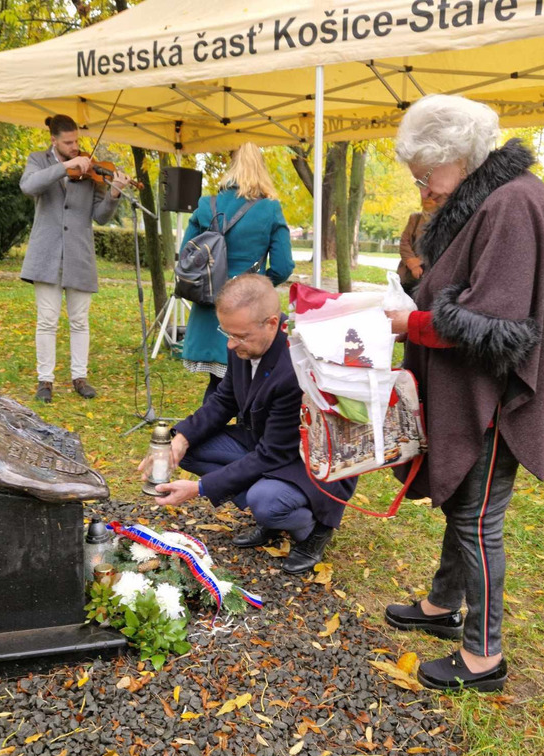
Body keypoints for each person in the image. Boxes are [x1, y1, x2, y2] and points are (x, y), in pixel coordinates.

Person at [383, 95, 544, 693]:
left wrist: (412, 323)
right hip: (474, 386)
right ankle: (443, 605)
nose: (424, 187)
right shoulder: (494, 195)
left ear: (457, 155)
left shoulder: (512, 203)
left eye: (426, 173)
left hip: (494, 396)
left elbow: (495, 323)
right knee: (464, 504)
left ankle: (483, 656)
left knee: (477, 519)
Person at [144, 274, 356, 575]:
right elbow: (224, 399)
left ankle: (313, 528)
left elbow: (273, 454)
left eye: (240, 336)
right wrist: (180, 438)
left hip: (309, 463)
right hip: (266, 442)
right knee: (189, 450)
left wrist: (200, 488)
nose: (231, 344)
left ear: (272, 323)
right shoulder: (246, 342)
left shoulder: (293, 368)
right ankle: (270, 512)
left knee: (265, 502)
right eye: (227, 333)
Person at [20, 114, 131, 403]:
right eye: (68, 143)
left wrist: (114, 192)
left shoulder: (90, 168)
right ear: (54, 140)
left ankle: (79, 377)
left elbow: (101, 217)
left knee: (80, 321)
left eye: (76, 141)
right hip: (47, 254)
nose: (75, 147)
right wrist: (64, 167)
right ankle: (45, 380)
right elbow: (28, 186)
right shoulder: (38, 160)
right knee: (47, 321)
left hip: (79, 254)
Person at [179, 143, 295, 399]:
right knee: (248, 387)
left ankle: (208, 425)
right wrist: (257, 287)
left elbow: (186, 255)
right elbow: (283, 266)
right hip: (248, 312)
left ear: (231, 168)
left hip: (209, 306)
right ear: (262, 170)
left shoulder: (206, 205)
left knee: (218, 388)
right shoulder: (269, 209)